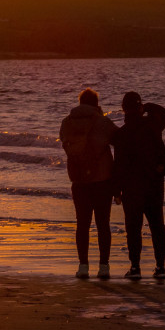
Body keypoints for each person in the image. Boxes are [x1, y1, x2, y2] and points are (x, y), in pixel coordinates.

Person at [59, 88, 118, 279]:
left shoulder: (66, 122)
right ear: (96, 103)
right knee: (103, 224)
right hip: (101, 180)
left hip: (78, 180)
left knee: (82, 224)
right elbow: (120, 141)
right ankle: (104, 267)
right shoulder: (102, 122)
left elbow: (66, 145)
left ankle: (83, 266)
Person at [113, 92, 165, 280]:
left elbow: (118, 164)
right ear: (139, 108)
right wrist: (147, 106)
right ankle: (160, 267)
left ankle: (135, 267)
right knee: (157, 226)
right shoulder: (152, 125)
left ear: (123, 109)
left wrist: (117, 191)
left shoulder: (121, 133)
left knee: (133, 228)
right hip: (153, 184)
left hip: (132, 187)